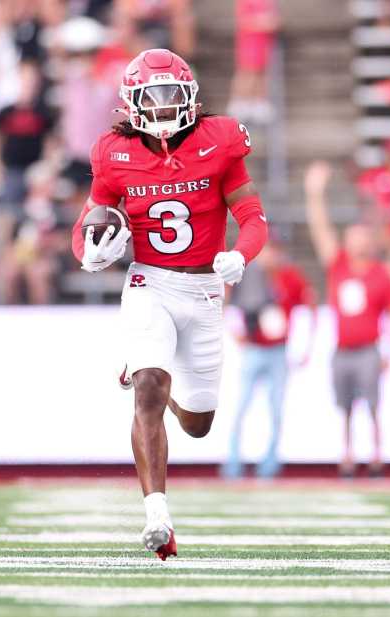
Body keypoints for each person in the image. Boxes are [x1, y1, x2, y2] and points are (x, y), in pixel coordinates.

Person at [72, 49, 267, 559]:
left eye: (169, 97)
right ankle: (156, 514)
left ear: (190, 98)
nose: (160, 108)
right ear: (131, 103)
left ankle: (145, 367)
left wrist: (240, 257)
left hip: (203, 290)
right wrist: (87, 254)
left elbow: (253, 217)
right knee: (150, 389)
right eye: (150, 98)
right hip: (149, 283)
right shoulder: (112, 151)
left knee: (198, 424)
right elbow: (90, 219)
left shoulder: (220, 140)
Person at [304, 161, 390, 479]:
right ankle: (347, 454)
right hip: (343, 348)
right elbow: (321, 230)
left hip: (368, 348)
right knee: (345, 405)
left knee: (372, 403)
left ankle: (375, 454)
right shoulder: (340, 267)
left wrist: (389, 350)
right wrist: (314, 194)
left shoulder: (380, 274)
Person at [222, 239, 314, 480]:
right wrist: (235, 332)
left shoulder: (290, 277)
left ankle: (269, 464)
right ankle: (233, 462)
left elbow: (309, 303)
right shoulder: (250, 275)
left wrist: (305, 344)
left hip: (278, 351)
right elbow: (226, 298)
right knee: (241, 406)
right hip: (254, 348)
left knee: (275, 409)